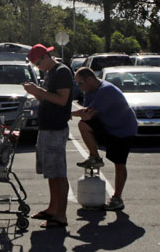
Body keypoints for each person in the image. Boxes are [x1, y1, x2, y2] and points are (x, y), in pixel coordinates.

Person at [22, 43, 73, 229]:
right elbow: (47, 97)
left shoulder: (61, 72)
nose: (37, 67)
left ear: (45, 57)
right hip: (47, 128)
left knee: (58, 173)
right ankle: (53, 208)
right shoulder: (50, 73)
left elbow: (62, 99)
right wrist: (36, 93)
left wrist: (38, 91)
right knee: (50, 172)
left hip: (56, 129)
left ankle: (61, 215)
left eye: (37, 63)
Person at [72, 66, 137, 211]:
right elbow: (87, 117)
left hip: (123, 130)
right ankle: (94, 156)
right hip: (108, 127)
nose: (79, 87)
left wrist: (67, 113)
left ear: (89, 79)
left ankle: (117, 198)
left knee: (119, 164)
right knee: (83, 125)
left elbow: (87, 113)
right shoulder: (89, 91)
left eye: (80, 83)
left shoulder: (105, 90)